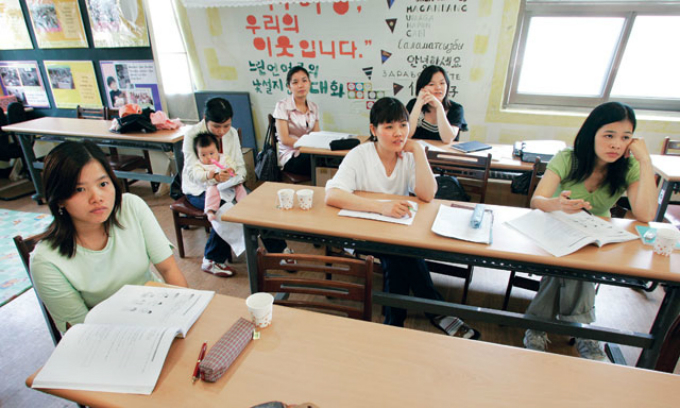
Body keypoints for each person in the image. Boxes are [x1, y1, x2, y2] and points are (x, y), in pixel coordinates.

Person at [325, 97, 479, 339]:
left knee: (400, 255)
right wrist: (380, 207)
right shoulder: (359, 154)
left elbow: (428, 195)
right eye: (389, 127)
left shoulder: (407, 156)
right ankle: (435, 311)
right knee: (402, 255)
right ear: (373, 130)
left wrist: (418, 150)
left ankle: (393, 322)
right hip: (361, 231)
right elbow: (332, 195)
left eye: (403, 125)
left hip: (394, 231)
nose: (398, 133)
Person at [522, 102, 657, 361]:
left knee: (572, 267)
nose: (616, 144)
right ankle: (583, 330)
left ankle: (537, 326)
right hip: (555, 229)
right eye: (609, 135)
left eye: (625, 137)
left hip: (597, 238)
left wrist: (645, 160)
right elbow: (537, 201)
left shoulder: (628, 167)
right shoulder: (568, 158)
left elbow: (646, 214)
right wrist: (557, 204)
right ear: (591, 133)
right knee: (575, 266)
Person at [31, 141, 188, 333]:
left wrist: (185, 319)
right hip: (108, 338)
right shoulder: (46, 261)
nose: (97, 197)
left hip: (159, 315)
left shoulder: (131, 207)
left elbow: (169, 269)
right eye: (79, 189)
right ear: (60, 198)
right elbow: (81, 333)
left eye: (103, 184)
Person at [182, 98, 289, 277]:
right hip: (200, 188)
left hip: (229, 184)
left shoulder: (230, 134)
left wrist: (234, 177)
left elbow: (240, 166)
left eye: (226, 125)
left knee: (259, 203)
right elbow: (192, 172)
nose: (222, 131)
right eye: (217, 126)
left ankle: (279, 251)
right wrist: (214, 177)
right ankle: (211, 260)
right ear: (204, 118)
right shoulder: (193, 135)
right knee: (226, 210)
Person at [273, 66, 319, 176]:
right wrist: (307, 147)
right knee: (317, 163)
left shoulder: (314, 107)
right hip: (290, 155)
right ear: (289, 87)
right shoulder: (282, 106)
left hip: (309, 152)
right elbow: (285, 139)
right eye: (295, 82)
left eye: (304, 80)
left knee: (333, 159)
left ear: (309, 83)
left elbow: (316, 135)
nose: (301, 85)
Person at [191, 132, 245, 221]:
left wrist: (231, 169)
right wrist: (208, 174)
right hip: (213, 185)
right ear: (197, 155)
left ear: (218, 150)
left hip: (228, 182)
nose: (208, 157)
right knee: (212, 191)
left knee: (239, 186)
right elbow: (197, 175)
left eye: (211, 153)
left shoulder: (224, 158)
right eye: (203, 155)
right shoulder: (199, 165)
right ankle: (210, 210)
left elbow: (233, 165)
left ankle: (243, 203)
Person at [406, 65, 468, 143]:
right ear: (422, 87)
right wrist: (419, 103)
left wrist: (439, 107)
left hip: (444, 153)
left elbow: (447, 139)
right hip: (417, 152)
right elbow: (406, 135)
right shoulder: (413, 104)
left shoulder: (456, 108)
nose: (438, 87)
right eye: (431, 84)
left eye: (442, 83)